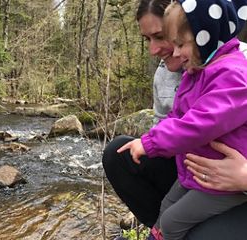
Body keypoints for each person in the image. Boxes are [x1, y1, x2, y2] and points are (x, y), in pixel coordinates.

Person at [102, 0, 247, 239]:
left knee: (174, 221)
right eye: (147, 39)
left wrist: (243, 177)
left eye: (165, 38)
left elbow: (198, 123)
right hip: (198, 168)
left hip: (231, 183)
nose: (154, 49)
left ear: (202, 36)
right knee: (161, 200)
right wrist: (152, 141)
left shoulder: (234, 72)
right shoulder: (191, 71)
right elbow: (174, 118)